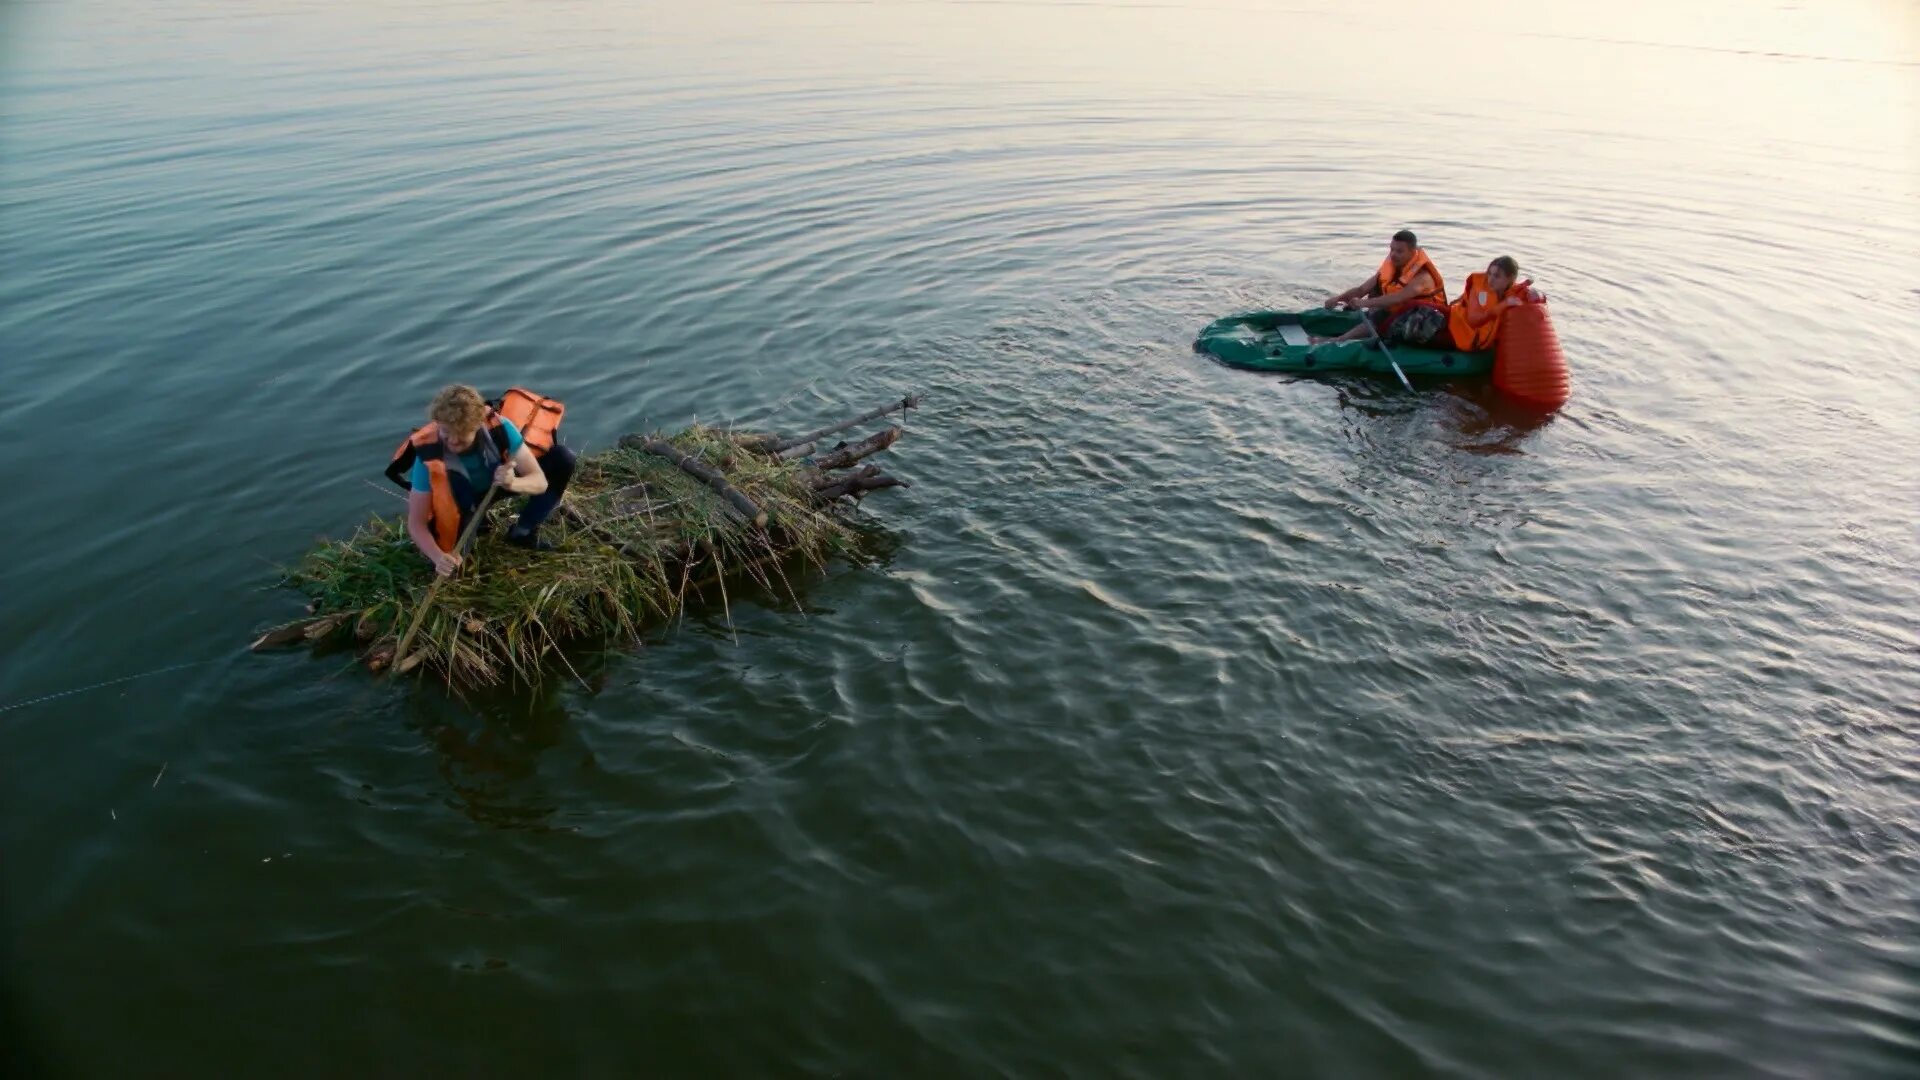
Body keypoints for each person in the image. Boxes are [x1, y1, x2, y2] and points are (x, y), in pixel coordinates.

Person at [395, 384, 576, 576]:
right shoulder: (428, 456)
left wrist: (512, 483)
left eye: (461, 439)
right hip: (459, 501)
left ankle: (522, 532)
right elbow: (416, 523)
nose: (452, 444)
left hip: (500, 481)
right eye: (446, 435)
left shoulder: (500, 428)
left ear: (478, 425)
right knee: (453, 570)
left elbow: (540, 483)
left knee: (563, 459)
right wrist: (438, 556)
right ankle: (475, 523)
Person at [1312, 229, 1449, 345]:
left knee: (1380, 316)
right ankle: (1358, 326)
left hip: (1427, 321)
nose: (1393, 254)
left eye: (1399, 251)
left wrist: (1364, 303)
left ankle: (1338, 340)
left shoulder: (1423, 277)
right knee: (1375, 294)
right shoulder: (1392, 268)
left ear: (1413, 252)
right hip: (1398, 312)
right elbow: (1361, 290)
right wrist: (1338, 298)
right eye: (1392, 250)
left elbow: (1397, 298)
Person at [1442, 255, 1538, 352]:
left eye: (1497, 276)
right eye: (1489, 274)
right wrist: (1503, 305)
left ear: (1510, 278)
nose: (1490, 280)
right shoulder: (1481, 293)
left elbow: (1522, 290)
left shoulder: (1510, 292)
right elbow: (1473, 321)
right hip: (1450, 325)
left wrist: (1534, 294)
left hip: (1462, 332)